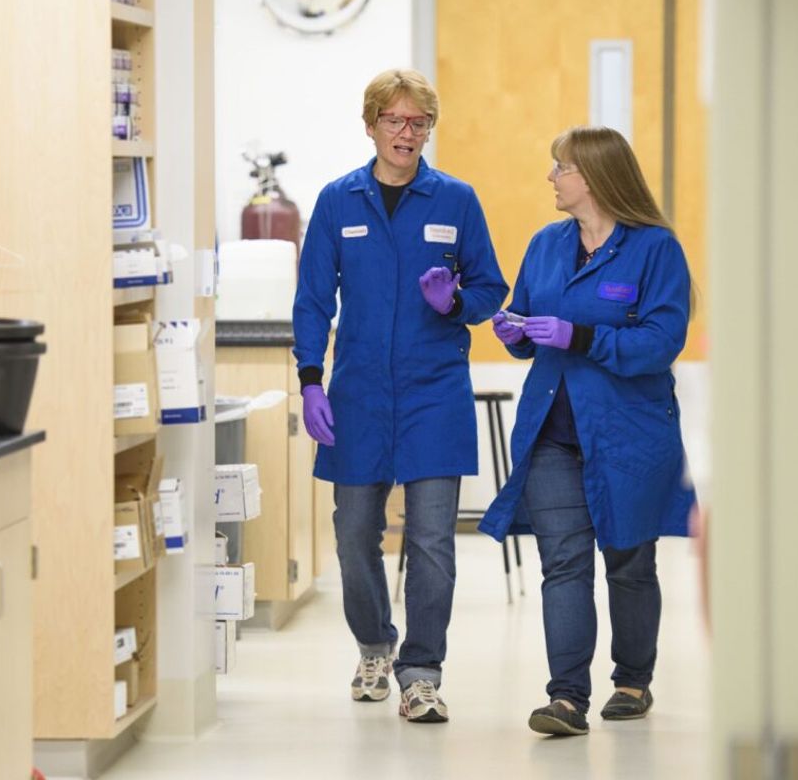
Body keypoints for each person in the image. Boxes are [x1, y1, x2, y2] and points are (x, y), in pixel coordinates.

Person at [292, 68, 507, 723]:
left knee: (433, 542)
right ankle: (374, 646)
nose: (407, 133)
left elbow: (493, 291)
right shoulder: (338, 202)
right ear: (371, 126)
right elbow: (311, 299)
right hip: (357, 395)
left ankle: (421, 673)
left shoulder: (456, 201)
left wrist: (459, 301)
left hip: (433, 394)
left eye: (419, 123)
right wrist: (309, 379)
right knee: (355, 534)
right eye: (395, 121)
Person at [481, 125, 695, 736]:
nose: (551, 177)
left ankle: (632, 680)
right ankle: (567, 698)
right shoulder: (546, 244)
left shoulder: (655, 249)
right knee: (564, 563)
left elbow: (661, 341)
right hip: (552, 430)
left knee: (628, 560)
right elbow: (524, 319)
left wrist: (580, 336)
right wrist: (515, 333)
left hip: (629, 432)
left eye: (561, 168)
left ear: (595, 177)